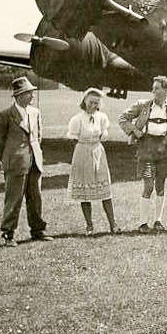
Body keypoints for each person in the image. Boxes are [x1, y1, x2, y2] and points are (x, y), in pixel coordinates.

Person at [0, 76, 53, 246]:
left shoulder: (35, 112)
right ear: (19, 95)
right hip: (15, 164)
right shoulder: (4, 115)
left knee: (36, 197)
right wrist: (10, 157)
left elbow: (38, 136)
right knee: (14, 198)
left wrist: (35, 153)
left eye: (32, 92)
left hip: (35, 162)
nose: (32, 96)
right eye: (29, 93)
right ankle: (8, 234)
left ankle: (38, 230)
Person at [118, 76, 167, 233]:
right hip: (146, 149)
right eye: (153, 88)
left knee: (160, 186)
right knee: (148, 185)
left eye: (157, 88)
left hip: (164, 149)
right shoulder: (143, 105)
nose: (153, 90)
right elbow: (122, 118)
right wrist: (135, 131)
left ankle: (158, 221)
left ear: (166, 90)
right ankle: (142, 223)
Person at [67, 88, 120, 235]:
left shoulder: (102, 117)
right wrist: (83, 152)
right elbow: (73, 139)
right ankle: (89, 226)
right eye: (90, 102)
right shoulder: (77, 119)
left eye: (96, 103)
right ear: (84, 101)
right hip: (82, 152)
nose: (93, 106)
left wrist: (101, 137)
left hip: (98, 153)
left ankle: (113, 224)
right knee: (85, 190)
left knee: (105, 190)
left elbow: (104, 134)